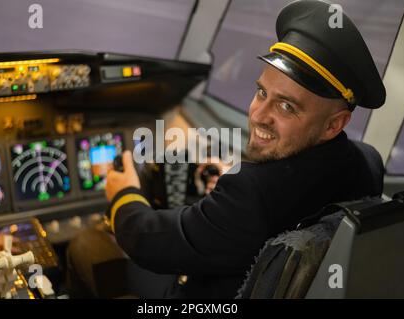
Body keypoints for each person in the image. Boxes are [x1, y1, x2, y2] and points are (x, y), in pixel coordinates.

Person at [67, 0, 386, 298]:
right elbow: (285, 195)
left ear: (334, 124)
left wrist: (125, 195)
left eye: (287, 107)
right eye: (262, 92)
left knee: (85, 245)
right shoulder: (368, 161)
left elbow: (149, 241)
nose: (259, 116)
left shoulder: (251, 193)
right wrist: (228, 188)